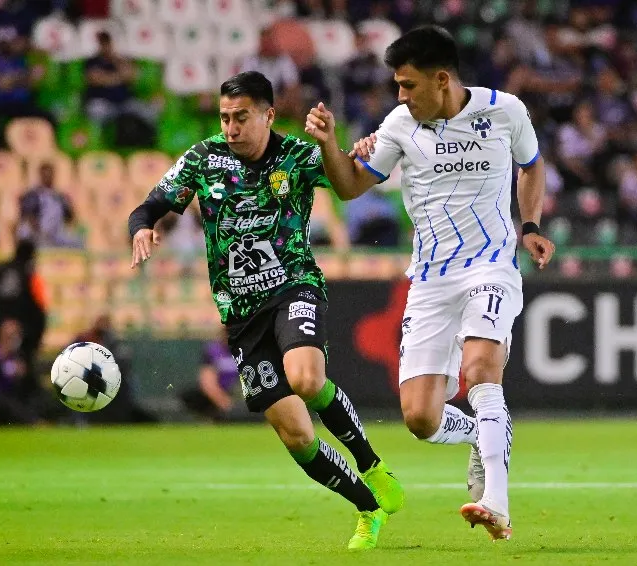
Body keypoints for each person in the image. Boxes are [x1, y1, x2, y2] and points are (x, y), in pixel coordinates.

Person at [128, 71, 404, 550]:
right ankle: (368, 508)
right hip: (241, 316)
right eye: (224, 118)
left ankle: (372, 464)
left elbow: (350, 180)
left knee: (306, 379)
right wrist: (142, 226)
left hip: (294, 286)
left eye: (241, 118)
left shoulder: (297, 156)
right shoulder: (204, 158)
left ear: (268, 114)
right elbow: (150, 204)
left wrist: (348, 146)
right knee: (295, 434)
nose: (231, 128)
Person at [304, 26, 555, 540]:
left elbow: (531, 167)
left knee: (481, 368)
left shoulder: (505, 111)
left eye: (408, 85)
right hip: (430, 280)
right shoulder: (399, 125)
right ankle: (487, 433)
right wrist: (332, 145)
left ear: (442, 80)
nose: (401, 96)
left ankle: (496, 504)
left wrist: (529, 226)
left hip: (490, 265)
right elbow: (349, 187)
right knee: (420, 418)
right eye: (398, 85)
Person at [0, 239, 47, 392]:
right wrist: (34, 338)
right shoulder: (31, 277)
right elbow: (41, 310)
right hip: (24, 338)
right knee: (23, 378)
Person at [179, 327, 242, 421]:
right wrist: (225, 403)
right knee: (189, 396)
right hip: (218, 396)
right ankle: (208, 418)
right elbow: (208, 383)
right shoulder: (213, 351)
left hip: (239, 395)